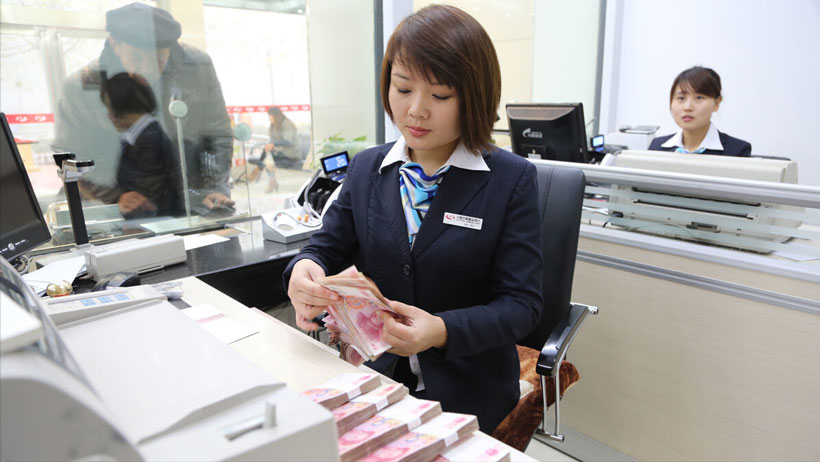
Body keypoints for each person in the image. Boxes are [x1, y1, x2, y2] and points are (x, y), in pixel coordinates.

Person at [284, 5, 543, 433]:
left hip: (468, 390)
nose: (416, 110)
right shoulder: (368, 168)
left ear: (474, 97)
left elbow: (521, 305)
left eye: (440, 96)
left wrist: (440, 330)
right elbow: (324, 248)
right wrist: (304, 269)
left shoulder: (510, 180)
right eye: (403, 88)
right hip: (375, 376)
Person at [52, 2, 235, 216]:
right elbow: (70, 155)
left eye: (159, 59)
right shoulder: (83, 86)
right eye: (136, 58)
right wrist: (115, 197)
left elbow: (217, 133)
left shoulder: (197, 67)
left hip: (192, 200)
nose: (148, 69)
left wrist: (211, 187)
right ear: (114, 44)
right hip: (123, 207)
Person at [95, 72, 183, 219]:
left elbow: (144, 200)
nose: (109, 116)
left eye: (109, 108)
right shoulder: (140, 137)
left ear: (122, 106)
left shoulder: (148, 142)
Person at [649, 66, 751, 156]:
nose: (687, 107)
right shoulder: (657, 147)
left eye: (699, 98)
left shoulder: (737, 151)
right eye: (681, 98)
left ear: (716, 103)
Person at [247, 106, 301, 192]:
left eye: (270, 116)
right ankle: (268, 177)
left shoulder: (286, 123)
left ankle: (261, 170)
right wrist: (270, 144)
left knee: (268, 160)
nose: (269, 118)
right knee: (267, 156)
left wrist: (273, 144)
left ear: (276, 115)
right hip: (281, 152)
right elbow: (272, 141)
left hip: (290, 153)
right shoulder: (274, 125)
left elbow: (288, 141)